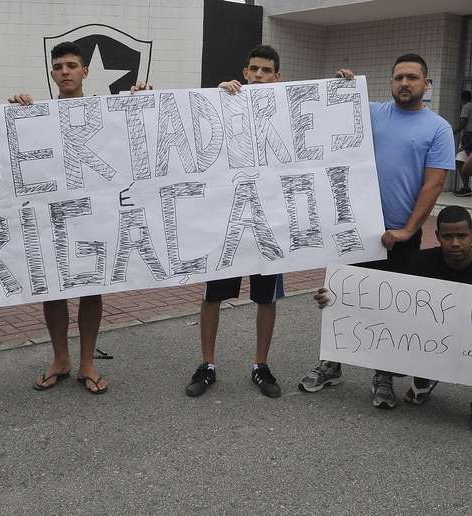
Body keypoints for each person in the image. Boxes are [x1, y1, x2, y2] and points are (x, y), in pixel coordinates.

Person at [299, 54, 456, 408]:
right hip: (354, 228)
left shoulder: (438, 128)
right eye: (399, 76)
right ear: (390, 82)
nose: (405, 83)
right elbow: (329, 113)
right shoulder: (370, 112)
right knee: (339, 295)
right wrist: (344, 86)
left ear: (426, 84)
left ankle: (383, 374)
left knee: (390, 305)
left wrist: (407, 230)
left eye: (413, 77)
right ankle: (332, 363)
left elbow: (433, 184)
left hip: (399, 233)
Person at [185, 45, 287, 398]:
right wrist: (216, 99)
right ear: (245, 72)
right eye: (254, 69)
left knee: (266, 298)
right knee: (212, 296)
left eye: (266, 70)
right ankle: (207, 364)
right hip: (226, 221)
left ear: (278, 77)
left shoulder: (286, 109)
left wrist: (342, 86)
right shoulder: (223, 103)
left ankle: (261, 364)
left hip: (268, 222)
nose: (259, 75)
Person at [7, 42, 108, 395]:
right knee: (53, 290)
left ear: (85, 72)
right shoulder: (36, 113)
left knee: (92, 290)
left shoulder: (103, 110)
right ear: (52, 73)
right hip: (51, 217)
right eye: (59, 66)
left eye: (72, 65)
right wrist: (15, 112)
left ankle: (87, 363)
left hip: (93, 214)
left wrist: (141, 96)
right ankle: (61, 359)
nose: (65, 71)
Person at [312, 205, 472, 405]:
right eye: (448, 237)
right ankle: (426, 375)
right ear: (438, 236)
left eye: (462, 236)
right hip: (437, 339)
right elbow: (383, 299)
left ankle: (431, 374)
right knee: (397, 361)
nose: (455, 243)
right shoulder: (420, 263)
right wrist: (335, 297)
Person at [455, 90, 472, 196]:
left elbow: (463, 123)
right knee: (462, 161)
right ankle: (466, 187)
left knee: (459, 161)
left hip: (469, 136)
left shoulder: (466, 106)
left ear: (462, 99)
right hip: (469, 136)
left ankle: (466, 187)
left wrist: (452, 132)